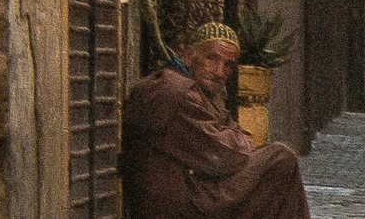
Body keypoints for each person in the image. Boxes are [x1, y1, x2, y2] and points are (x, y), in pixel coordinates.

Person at [121, 21, 311, 219]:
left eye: (228, 65)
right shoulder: (179, 92)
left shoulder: (194, 90)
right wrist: (233, 140)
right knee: (281, 158)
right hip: (181, 206)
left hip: (188, 197)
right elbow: (228, 156)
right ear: (189, 56)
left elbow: (229, 144)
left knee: (274, 176)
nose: (220, 71)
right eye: (212, 58)